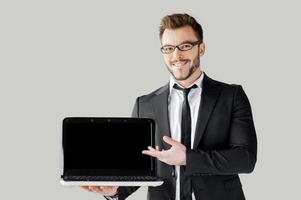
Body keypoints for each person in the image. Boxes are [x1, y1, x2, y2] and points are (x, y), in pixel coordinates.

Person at [81, 13, 257, 200]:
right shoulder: (145, 104)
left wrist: (188, 158)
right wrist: (114, 191)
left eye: (185, 46)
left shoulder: (231, 96)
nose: (176, 55)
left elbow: (245, 158)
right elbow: (138, 168)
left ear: (201, 49)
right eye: (169, 48)